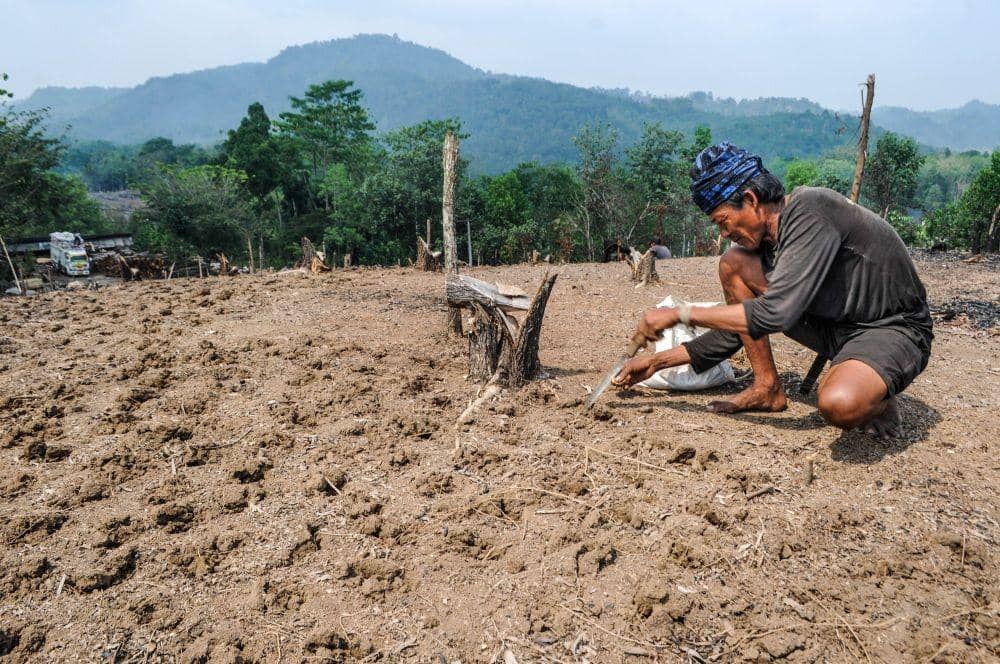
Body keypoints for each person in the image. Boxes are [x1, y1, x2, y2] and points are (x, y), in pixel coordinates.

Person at [613, 142, 933, 440]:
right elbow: (742, 327)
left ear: (751, 200)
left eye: (724, 221)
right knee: (733, 264)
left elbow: (775, 313)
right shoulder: (769, 244)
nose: (724, 233)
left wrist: (678, 315)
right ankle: (767, 387)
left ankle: (878, 398)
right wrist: (657, 362)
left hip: (891, 328)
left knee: (840, 403)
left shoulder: (811, 208)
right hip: (834, 326)